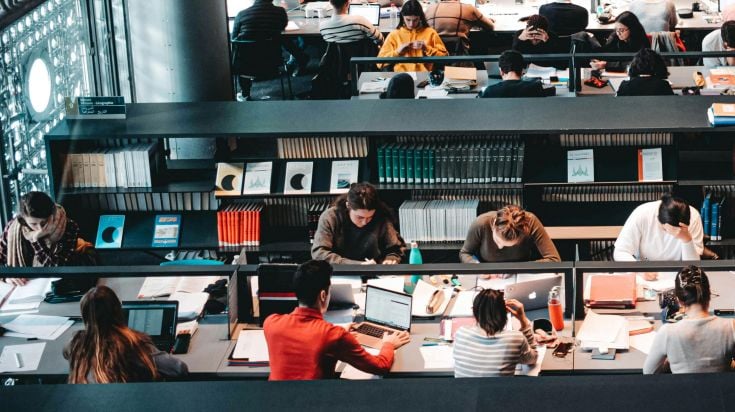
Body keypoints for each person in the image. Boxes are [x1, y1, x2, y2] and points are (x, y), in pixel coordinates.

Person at [263, 260, 410, 380]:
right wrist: (388, 345)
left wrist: (336, 332)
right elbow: (380, 366)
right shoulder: (333, 336)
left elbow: (302, 336)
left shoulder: (271, 323)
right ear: (323, 295)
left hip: (277, 403)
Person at [64, 286, 188, 383]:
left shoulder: (75, 345)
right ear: (119, 310)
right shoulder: (134, 345)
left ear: (85, 317)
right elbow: (179, 369)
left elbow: (66, 354)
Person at [643, 265, 735, 374]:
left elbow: (649, 372)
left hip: (683, 390)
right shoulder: (731, 327)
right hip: (721, 390)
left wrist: (672, 361)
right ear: (709, 294)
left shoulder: (667, 333)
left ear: (679, 301)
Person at [0, 192, 91, 286]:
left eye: (44, 222)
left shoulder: (69, 227)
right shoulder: (13, 228)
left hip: (58, 288)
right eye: (34, 224)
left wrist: (36, 239)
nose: (40, 228)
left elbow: (57, 269)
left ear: (53, 214)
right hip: (23, 288)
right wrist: (6, 277)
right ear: (23, 221)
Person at [231, 0, 310, 100]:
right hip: (273, 63)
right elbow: (282, 28)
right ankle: (300, 57)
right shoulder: (280, 12)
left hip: (246, 65)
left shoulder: (241, 14)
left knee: (244, 49)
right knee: (279, 37)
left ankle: (245, 94)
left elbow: (234, 39)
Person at [312, 182, 406, 264]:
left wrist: (391, 259)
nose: (365, 222)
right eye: (359, 217)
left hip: (375, 271)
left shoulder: (381, 216)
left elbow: (396, 248)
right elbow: (319, 253)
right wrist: (355, 265)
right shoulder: (331, 217)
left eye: (370, 217)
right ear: (348, 205)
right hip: (339, 271)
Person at [453, 289, 538, 377]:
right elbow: (532, 359)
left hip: (462, 390)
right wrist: (523, 320)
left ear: (474, 311)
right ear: (505, 312)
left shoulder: (461, 333)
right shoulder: (515, 338)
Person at [614, 194, 703, 262]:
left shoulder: (694, 217)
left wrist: (686, 238)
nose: (672, 234)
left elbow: (693, 267)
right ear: (658, 218)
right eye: (665, 229)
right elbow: (620, 252)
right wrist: (639, 269)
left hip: (679, 275)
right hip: (644, 274)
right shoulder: (642, 213)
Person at [460, 205, 560, 263]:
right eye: (498, 240)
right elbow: (465, 253)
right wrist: (479, 268)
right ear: (494, 225)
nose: (499, 247)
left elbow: (554, 260)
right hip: (488, 279)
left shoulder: (530, 222)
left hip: (521, 277)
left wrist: (516, 269)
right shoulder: (481, 223)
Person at [378, 0, 448, 72]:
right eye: (408, 20)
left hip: (425, 76)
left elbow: (445, 58)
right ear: (402, 17)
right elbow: (379, 63)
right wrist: (398, 52)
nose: (411, 24)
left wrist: (426, 48)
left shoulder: (430, 33)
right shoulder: (394, 34)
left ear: (420, 17)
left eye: (415, 20)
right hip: (401, 75)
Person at [426, 0, 495, 55]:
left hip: (433, 59)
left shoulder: (429, 9)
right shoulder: (468, 8)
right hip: (459, 59)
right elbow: (490, 26)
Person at [478, 50, 550, 98]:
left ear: (501, 71)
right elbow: (550, 88)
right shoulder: (536, 87)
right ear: (522, 71)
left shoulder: (490, 90)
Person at [319, 0, 384, 46]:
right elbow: (380, 39)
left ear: (330, 3)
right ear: (347, 3)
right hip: (358, 62)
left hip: (335, 64)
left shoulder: (322, 26)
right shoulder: (359, 20)